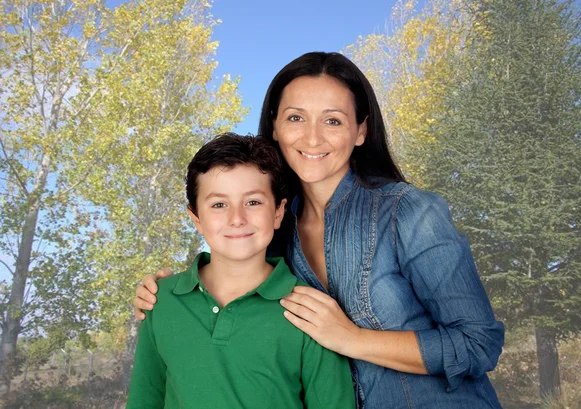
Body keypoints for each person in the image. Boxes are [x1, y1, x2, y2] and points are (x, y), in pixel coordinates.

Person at [134, 52, 505, 409]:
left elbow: (477, 343)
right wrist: (167, 295)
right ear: (275, 126)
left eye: (332, 120)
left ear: (361, 130)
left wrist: (352, 339)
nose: (312, 139)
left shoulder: (408, 212)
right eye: (296, 118)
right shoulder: (277, 227)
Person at [126, 133, 356, 409]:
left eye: (253, 202)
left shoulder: (310, 311)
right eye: (219, 205)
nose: (237, 219)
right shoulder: (160, 300)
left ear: (278, 212)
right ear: (196, 218)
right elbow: (144, 399)